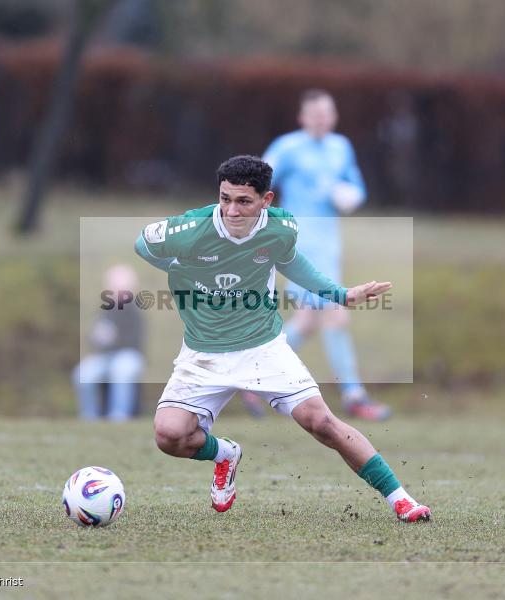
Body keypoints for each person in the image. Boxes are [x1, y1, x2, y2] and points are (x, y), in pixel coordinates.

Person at [133, 155, 430, 522]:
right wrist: (180, 266)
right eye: (225, 198)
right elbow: (143, 245)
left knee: (321, 423)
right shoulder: (190, 230)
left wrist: (342, 294)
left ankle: (401, 500)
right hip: (203, 354)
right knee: (169, 436)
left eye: (243, 201)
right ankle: (225, 454)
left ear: (266, 200)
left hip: (263, 348)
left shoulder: (281, 229)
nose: (232, 210)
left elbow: (291, 262)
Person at [261, 89, 391, 421]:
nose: (322, 120)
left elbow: (355, 186)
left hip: (329, 244)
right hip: (300, 244)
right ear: (303, 118)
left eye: (327, 114)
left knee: (306, 322)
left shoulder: (340, 147)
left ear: (333, 117)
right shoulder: (288, 147)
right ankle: (354, 396)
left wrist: (352, 195)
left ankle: (253, 378)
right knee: (335, 313)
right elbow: (260, 181)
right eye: (315, 115)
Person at [72, 264, 144, 421]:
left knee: (121, 371)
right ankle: (88, 417)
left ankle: (118, 416)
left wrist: (113, 339)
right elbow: (93, 339)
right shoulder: (105, 310)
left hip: (128, 355)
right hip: (104, 356)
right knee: (83, 374)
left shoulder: (135, 310)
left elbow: (134, 341)